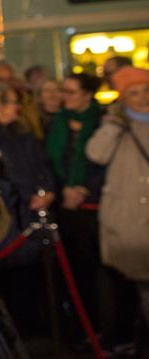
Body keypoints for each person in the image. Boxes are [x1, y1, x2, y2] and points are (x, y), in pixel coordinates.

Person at [0, 83, 56, 330]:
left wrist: (48, 191)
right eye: (11, 102)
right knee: (9, 277)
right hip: (5, 217)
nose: (17, 108)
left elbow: (41, 166)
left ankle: (36, 324)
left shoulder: (23, 133)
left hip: (29, 214)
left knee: (33, 275)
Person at [86, 66, 149, 354]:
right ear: (122, 98)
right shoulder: (114, 126)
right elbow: (95, 154)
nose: (142, 98)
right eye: (133, 93)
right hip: (127, 221)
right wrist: (113, 123)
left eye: (146, 90)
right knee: (131, 288)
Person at [47, 72, 107, 335]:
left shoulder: (102, 122)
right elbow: (50, 162)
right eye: (64, 91)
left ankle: (104, 327)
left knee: (100, 272)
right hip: (66, 209)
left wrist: (83, 189)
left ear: (86, 95)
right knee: (74, 273)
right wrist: (63, 190)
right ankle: (81, 328)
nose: (64, 97)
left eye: (70, 92)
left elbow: (106, 163)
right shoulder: (57, 123)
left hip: (95, 208)